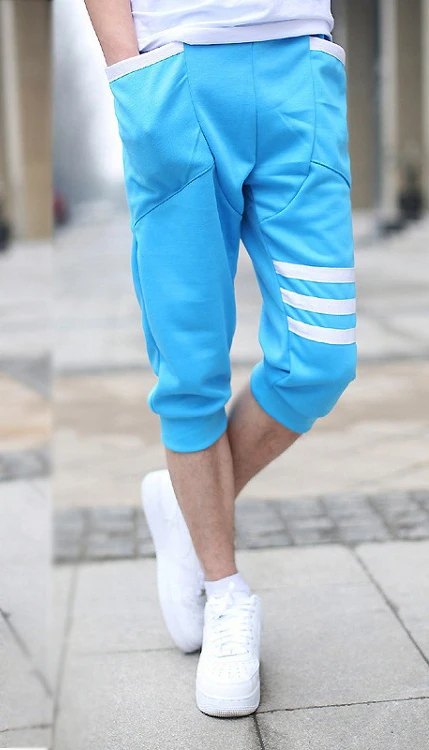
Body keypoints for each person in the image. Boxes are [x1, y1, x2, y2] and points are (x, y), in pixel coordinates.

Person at [84, 0, 356, 718]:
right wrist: (128, 71)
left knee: (322, 356)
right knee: (191, 366)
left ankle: (187, 504)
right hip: (175, 73)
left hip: (300, 66)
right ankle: (224, 591)